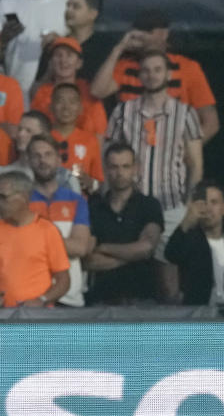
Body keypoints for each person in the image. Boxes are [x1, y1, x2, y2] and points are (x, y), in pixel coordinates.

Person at [106, 52, 203, 284]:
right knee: (123, 271)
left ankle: (172, 320)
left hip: (170, 203)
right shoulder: (123, 111)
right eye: (146, 70)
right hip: (131, 203)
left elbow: (195, 164)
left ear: (168, 74)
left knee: (168, 271)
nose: (152, 75)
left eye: (157, 69)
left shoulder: (186, 113)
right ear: (139, 75)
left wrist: (188, 203)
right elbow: (107, 155)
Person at [91, 9, 218, 143]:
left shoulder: (188, 67)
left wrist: (184, 151)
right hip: (131, 153)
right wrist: (118, 49)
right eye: (139, 31)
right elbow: (97, 91)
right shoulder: (125, 66)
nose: (143, 36)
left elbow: (211, 122)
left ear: (164, 34)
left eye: (148, 31)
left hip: (170, 150)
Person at [0, 170, 70, 307]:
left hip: (38, 318)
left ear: (24, 197)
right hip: (2, 316)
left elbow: (63, 280)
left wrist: (42, 300)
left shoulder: (47, 230)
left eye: (3, 197)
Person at [85, 143, 163, 305]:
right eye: (114, 167)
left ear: (135, 168)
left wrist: (104, 248)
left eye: (125, 166)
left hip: (142, 299)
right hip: (101, 300)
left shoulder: (149, 205)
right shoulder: (93, 206)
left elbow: (147, 247)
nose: (120, 173)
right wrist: (132, 254)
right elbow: (88, 260)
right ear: (105, 169)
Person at [26, 134, 93, 307]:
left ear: (58, 160)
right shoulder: (22, 202)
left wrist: (36, 241)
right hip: (32, 297)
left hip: (70, 298)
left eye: (48, 154)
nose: (43, 160)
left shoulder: (76, 200)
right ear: (29, 161)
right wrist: (62, 245)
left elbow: (80, 247)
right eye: (36, 156)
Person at [0, 109, 80, 201]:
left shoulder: (65, 178)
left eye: (28, 131)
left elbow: (76, 210)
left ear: (44, 135)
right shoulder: (2, 175)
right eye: (20, 129)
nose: (21, 134)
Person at [30, 36, 107, 137]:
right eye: (58, 55)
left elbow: (99, 133)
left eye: (69, 55)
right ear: (51, 62)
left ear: (79, 63)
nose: (63, 60)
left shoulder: (88, 93)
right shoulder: (42, 91)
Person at [165, 182, 224, 305]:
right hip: (199, 315)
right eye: (203, 203)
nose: (208, 208)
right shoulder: (190, 239)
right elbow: (171, 254)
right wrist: (187, 221)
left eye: (214, 202)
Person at [49, 83, 103, 186]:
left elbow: (98, 181)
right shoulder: (42, 138)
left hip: (78, 200)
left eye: (72, 102)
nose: (66, 107)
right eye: (60, 101)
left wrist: (90, 183)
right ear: (51, 107)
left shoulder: (90, 140)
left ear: (80, 109)